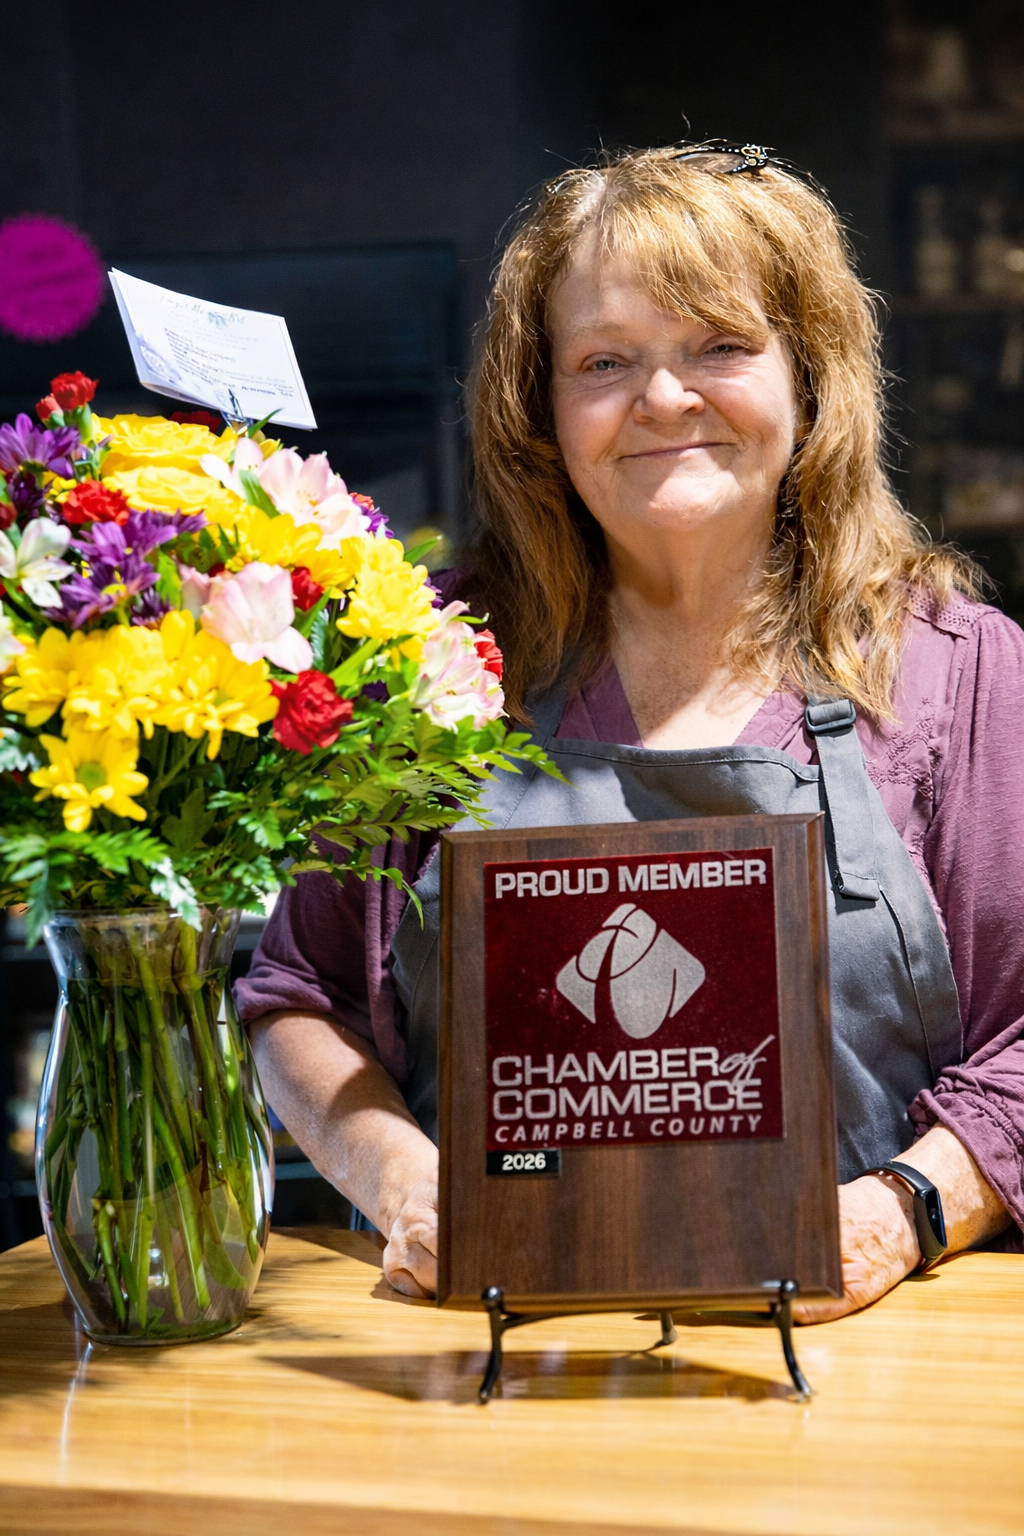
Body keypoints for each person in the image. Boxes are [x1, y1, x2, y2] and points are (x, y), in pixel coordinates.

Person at [237, 142, 1024, 1319]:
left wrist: (898, 1213)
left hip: (863, 1366)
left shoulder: (954, 672)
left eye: (720, 346)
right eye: (605, 361)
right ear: (540, 410)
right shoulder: (424, 666)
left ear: (807, 380)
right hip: (493, 1358)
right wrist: (404, 1185)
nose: (665, 399)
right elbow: (298, 996)